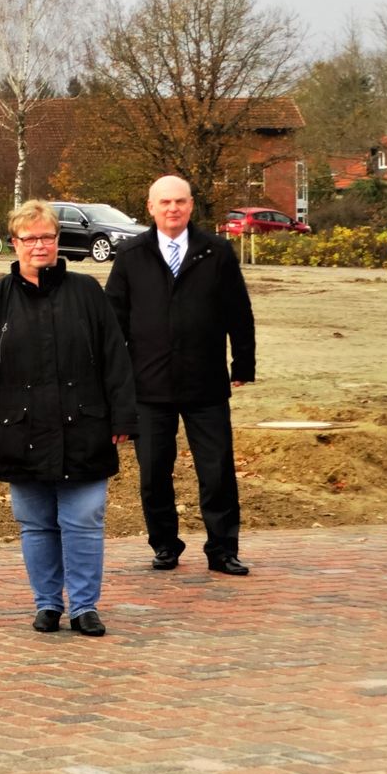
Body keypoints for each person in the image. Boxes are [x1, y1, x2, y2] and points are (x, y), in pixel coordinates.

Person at [0, 201, 137, 636]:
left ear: (59, 241)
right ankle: (46, 603)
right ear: (14, 242)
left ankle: (83, 606)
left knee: (83, 522)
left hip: (86, 427)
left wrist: (123, 418)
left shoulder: (87, 293)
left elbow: (116, 357)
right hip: (20, 431)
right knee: (37, 525)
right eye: (30, 238)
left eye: (47, 237)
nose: (40, 245)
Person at [105, 175, 255, 576]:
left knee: (217, 469)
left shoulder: (216, 252)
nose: (173, 209)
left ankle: (223, 549)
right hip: (148, 386)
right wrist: (113, 381)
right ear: (150, 207)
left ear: (191, 206)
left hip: (205, 384)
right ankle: (165, 545)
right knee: (154, 472)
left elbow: (238, 313)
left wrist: (243, 364)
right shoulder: (131, 254)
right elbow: (112, 323)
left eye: (181, 202)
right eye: (165, 202)